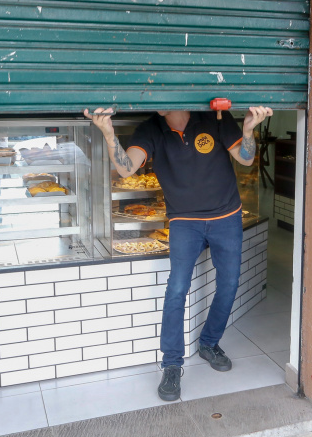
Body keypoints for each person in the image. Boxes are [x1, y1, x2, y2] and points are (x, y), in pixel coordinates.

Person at [84, 105, 273, 401]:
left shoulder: (214, 117)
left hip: (227, 216)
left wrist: (249, 130)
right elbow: (126, 168)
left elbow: (246, 159)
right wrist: (108, 133)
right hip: (184, 221)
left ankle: (209, 342)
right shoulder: (151, 129)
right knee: (176, 289)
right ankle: (172, 363)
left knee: (229, 284)